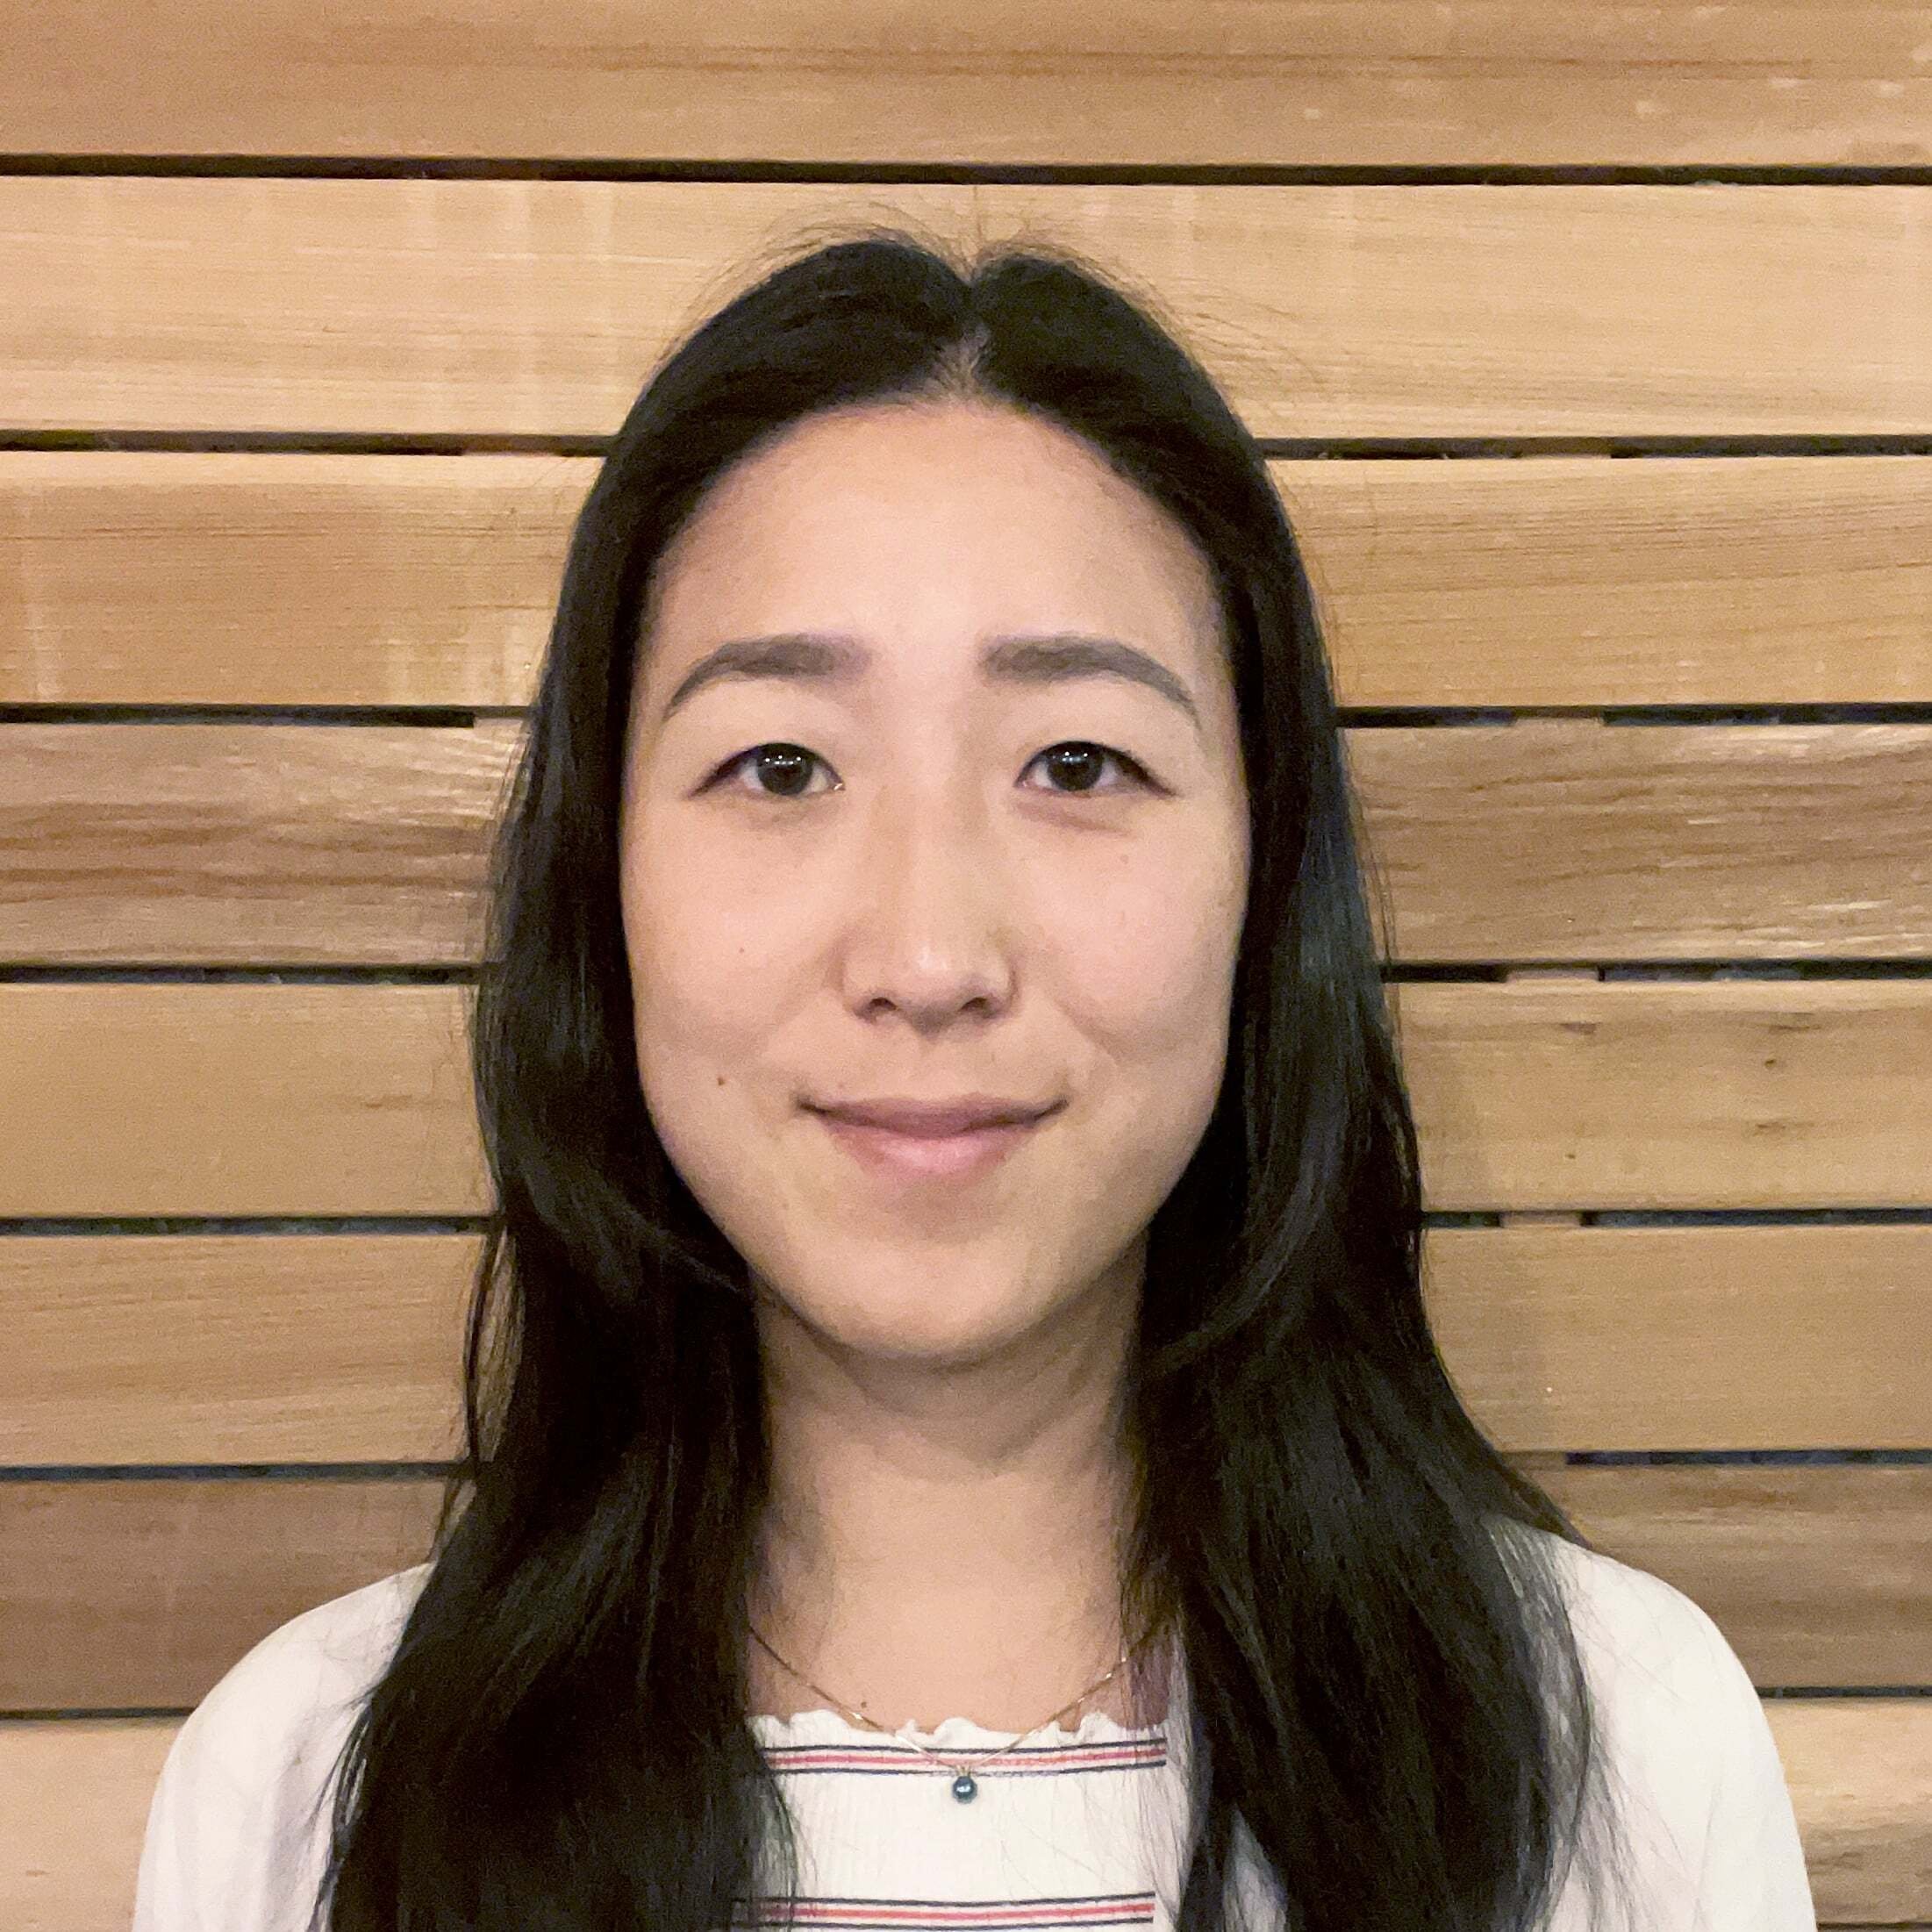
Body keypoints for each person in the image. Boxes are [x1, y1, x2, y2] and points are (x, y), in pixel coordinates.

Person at [132, 226, 1818, 1932]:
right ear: (605, 887)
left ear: (1265, 876)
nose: (929, 956)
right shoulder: (306, 1803)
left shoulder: (1610, 1759)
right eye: (778, 764)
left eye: (1078, 761)